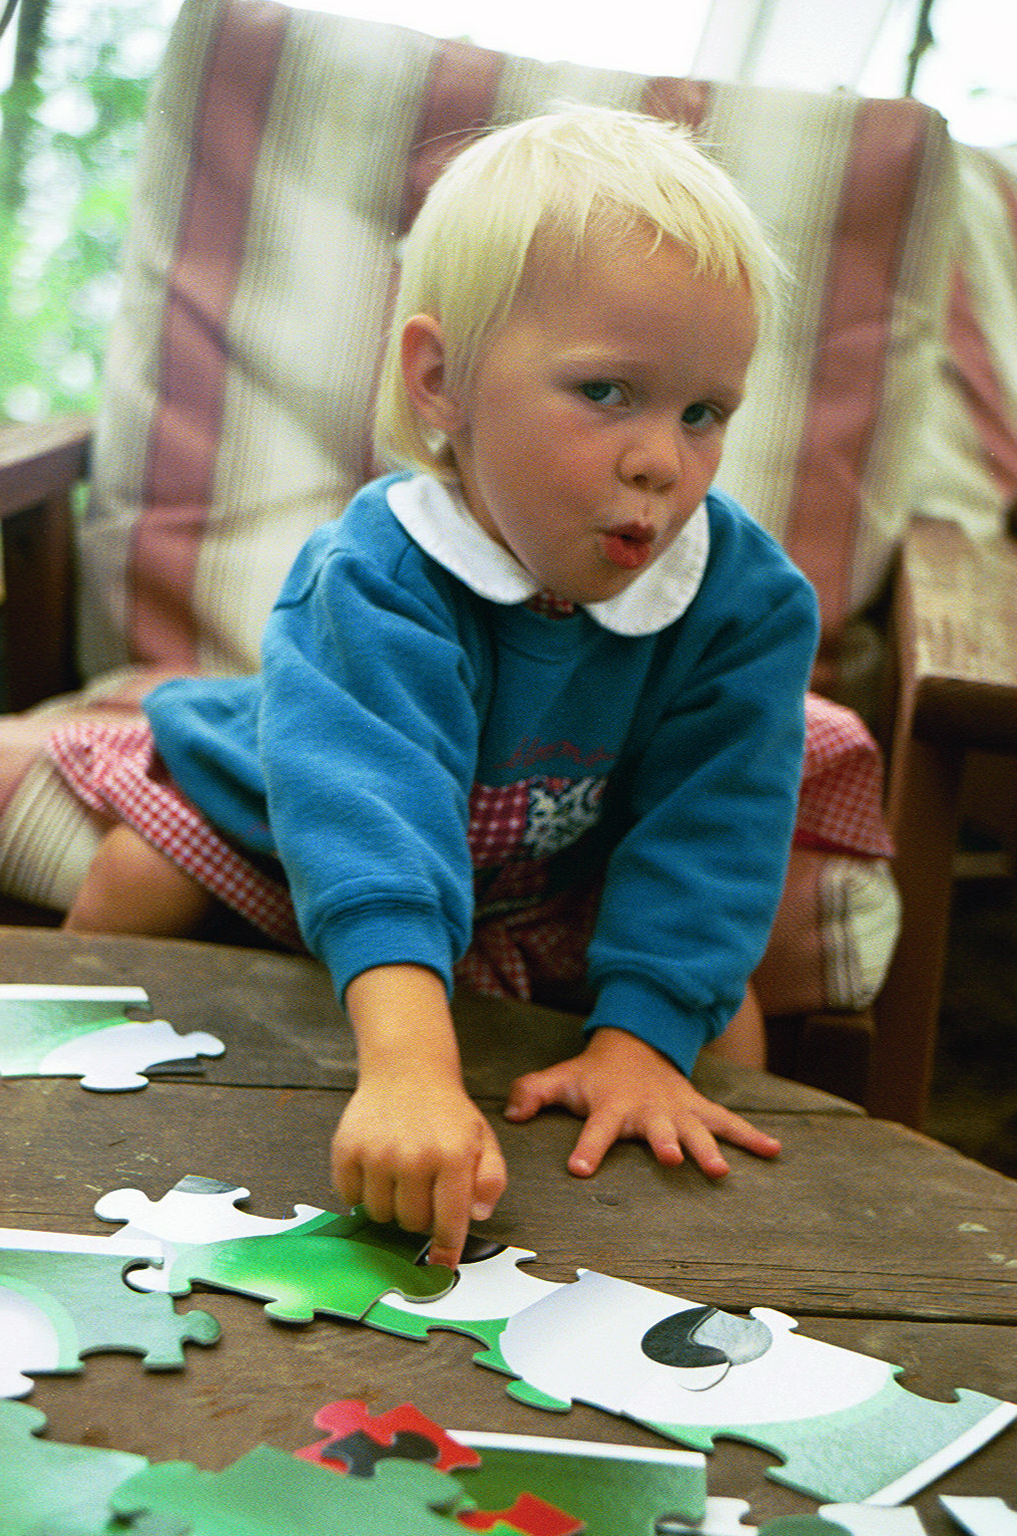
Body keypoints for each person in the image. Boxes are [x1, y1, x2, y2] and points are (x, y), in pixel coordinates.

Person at [50, 105, 819, 1268]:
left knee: (718, 1018)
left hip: (547, 872)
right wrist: (409, 1070)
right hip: (310, 829)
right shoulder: (377, 573)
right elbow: (371, 818)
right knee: (136, 872)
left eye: (702, 412)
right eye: (607, 392)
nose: (662, 460)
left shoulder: (746, 600)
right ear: (441, 380)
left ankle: (724, 1268)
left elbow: (715, 831)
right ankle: (43, 1106)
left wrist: (642, 1043)